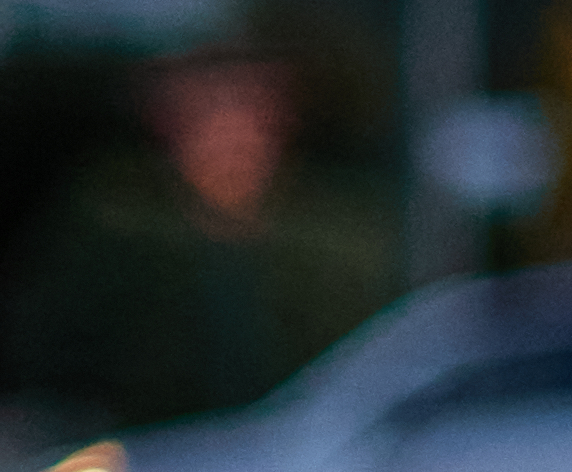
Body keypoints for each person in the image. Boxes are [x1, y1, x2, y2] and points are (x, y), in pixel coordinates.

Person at [6, 53, 391, 434]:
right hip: (151, 451)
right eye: (208, 121)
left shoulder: (335, 241)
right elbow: (57, 353)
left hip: (295, 455)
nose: (230, 140)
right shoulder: (118, 227)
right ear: (168, 130)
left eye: (248, 119)